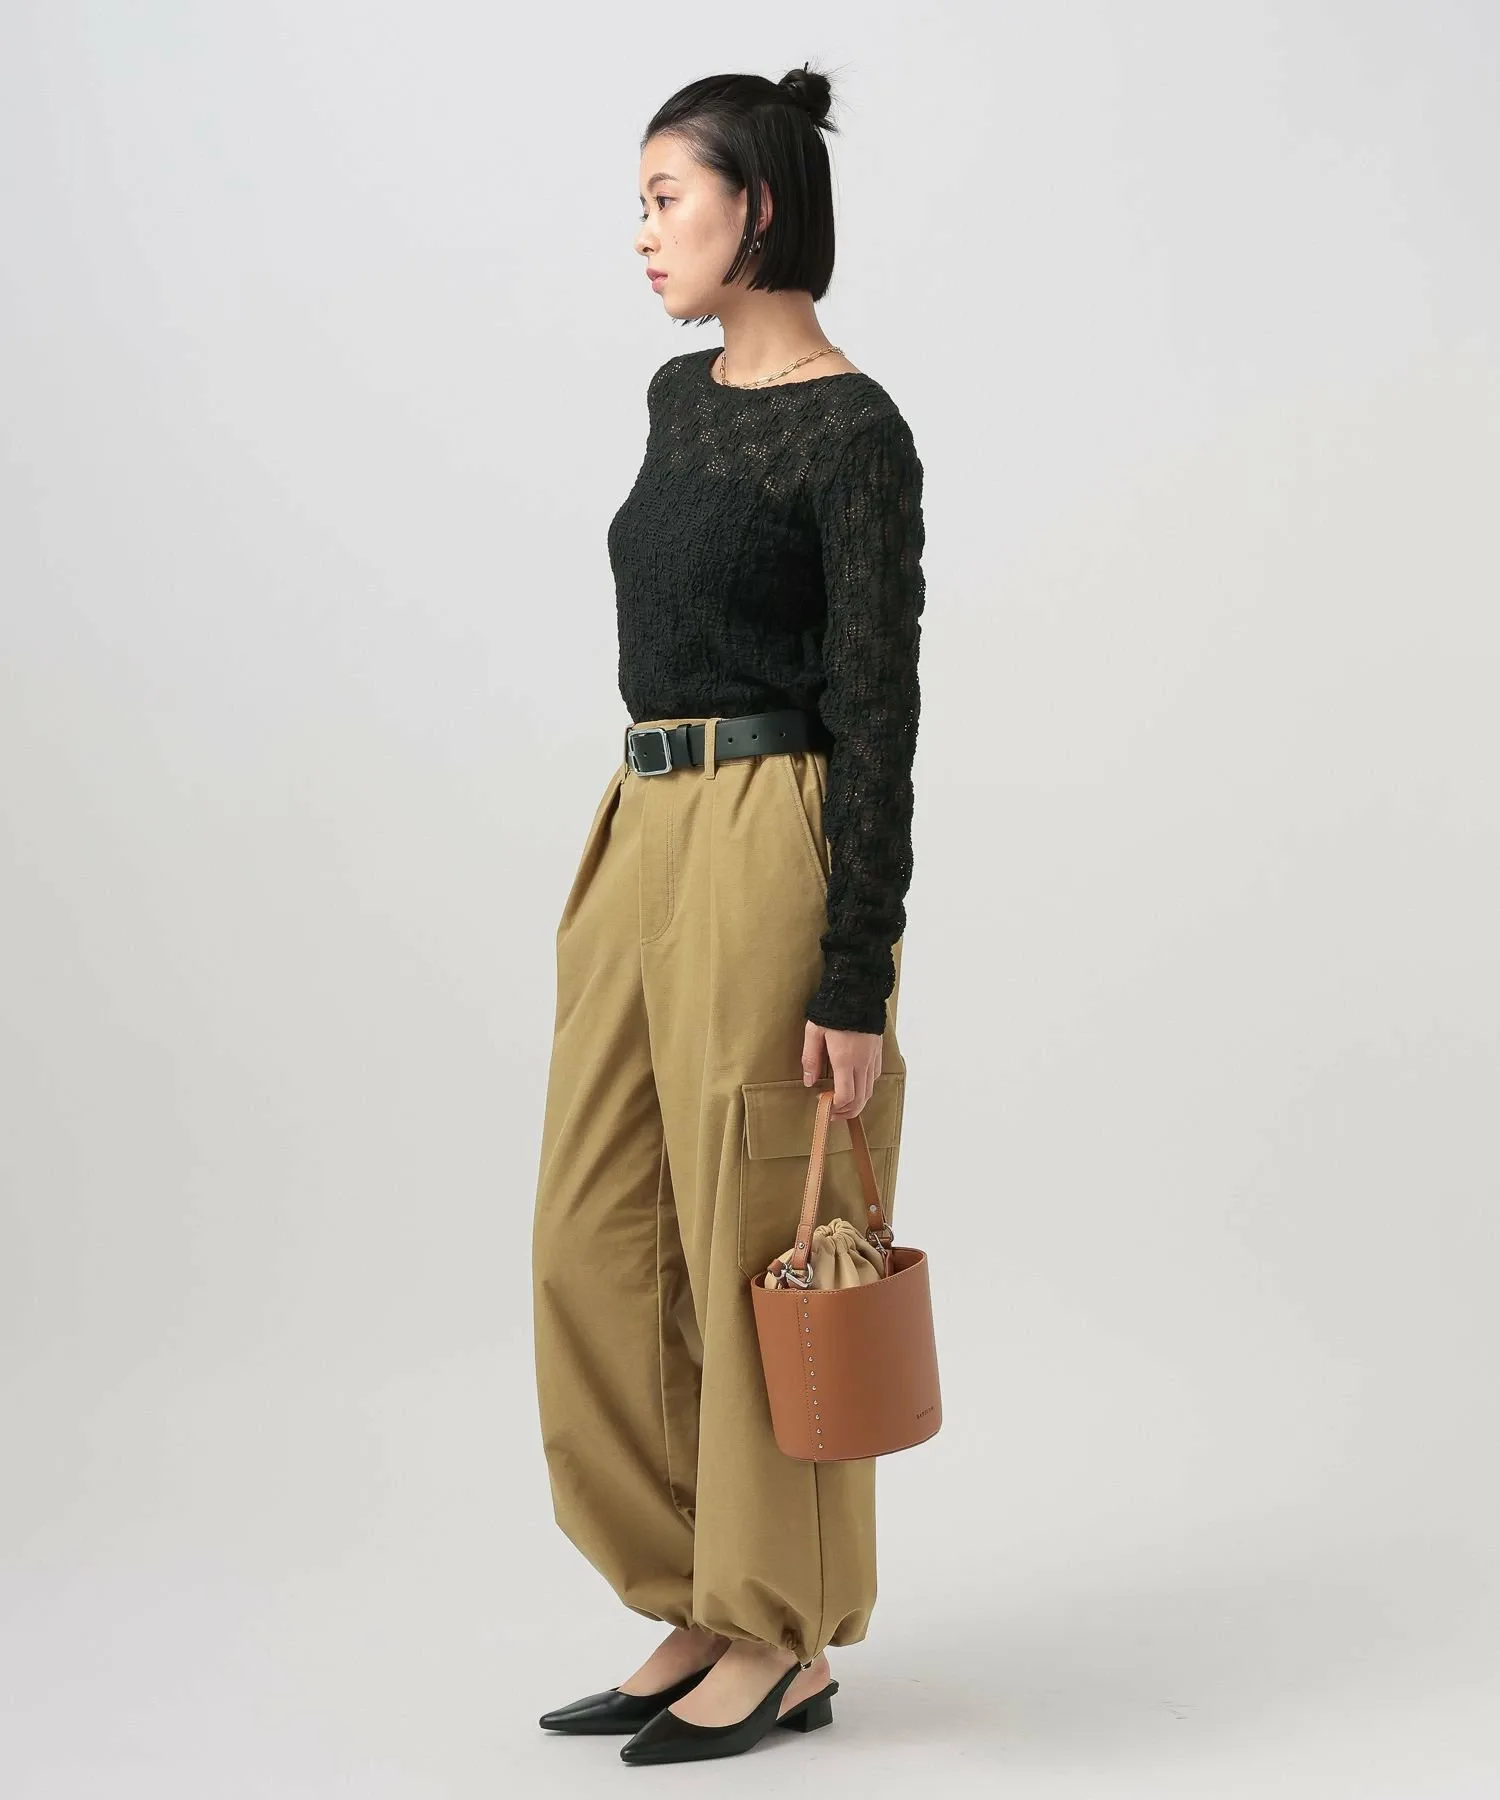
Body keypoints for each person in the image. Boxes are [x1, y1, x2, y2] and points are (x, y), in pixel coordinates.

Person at [530, 61, 927, 1766]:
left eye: (664, 200)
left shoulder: (855, 434)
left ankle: (781, 1635)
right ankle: (696, 1586)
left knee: (755, 1231)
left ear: (755, 209)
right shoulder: (676, 398)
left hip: (774, 835)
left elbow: (882, 713)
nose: (642, 233)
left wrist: (855, 972)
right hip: (639, 826)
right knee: (600, 1235)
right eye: (638, 204)